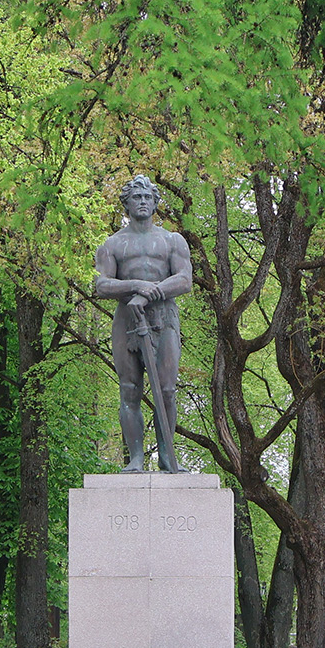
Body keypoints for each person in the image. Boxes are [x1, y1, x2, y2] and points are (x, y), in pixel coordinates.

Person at [93, 176, 193, 472]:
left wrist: (152, 293)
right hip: (126, 319)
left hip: (164, 318)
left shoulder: (172, 240)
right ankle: (136, 458)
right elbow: (102, 285)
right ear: (126, 203)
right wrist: (136, 285)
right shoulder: (112, 244)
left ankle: (166, 456)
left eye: (147, 197)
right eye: (136, 197)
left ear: (155, 202)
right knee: (129, 389)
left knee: (166, 390)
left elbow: (185, 279)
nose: (142, 201)